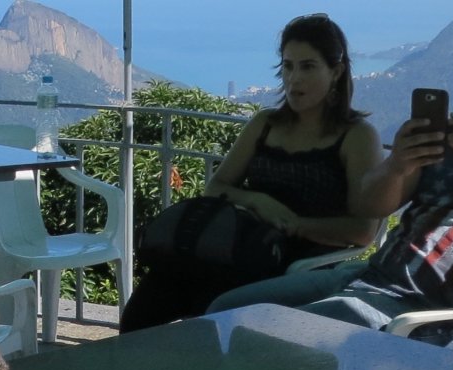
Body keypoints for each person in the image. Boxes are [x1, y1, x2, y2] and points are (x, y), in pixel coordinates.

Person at [209, 10, 453, 357]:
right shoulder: (447, 130)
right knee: (224, 311)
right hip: (370, 279)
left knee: (267, 339)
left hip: (431, 317)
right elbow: (369, 208)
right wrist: (398, 164)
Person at [119, 14, 381, 333]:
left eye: (308, 66)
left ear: (336, 72)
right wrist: (258, 201)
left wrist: (298, 226)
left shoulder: (356, 136)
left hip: (297, 265)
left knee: (209, 313)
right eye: (288, 66)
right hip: (242, 246)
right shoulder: (265, 124)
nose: (294, 78)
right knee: (147, 305)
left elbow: (364, 230)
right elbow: (216, 187)